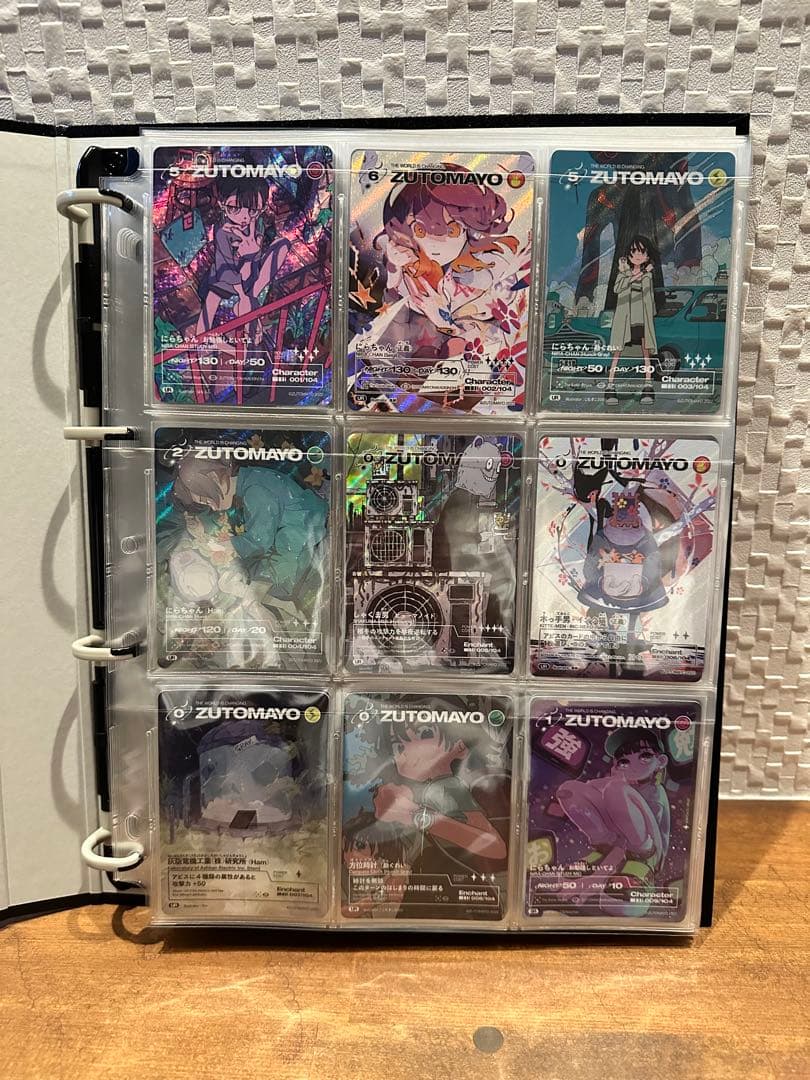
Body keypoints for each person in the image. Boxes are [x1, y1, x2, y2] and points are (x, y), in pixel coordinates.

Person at [550, 729, 671, 917]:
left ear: (660, 761)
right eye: (623, 761)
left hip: (649, 851)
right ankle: (603, 846)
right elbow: (586, 792)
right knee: (570, 790)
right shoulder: (621, 785)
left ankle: (640, 865)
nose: (633, 765)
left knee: (615, 790)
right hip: (617, 842)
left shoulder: (655, 794)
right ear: (615, 767)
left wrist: (598, 877)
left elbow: (632, 838)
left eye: (645, 756)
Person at [604, 235, 659, 406]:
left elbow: (650, 298)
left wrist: (650, 317)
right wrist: (641, 273)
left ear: (647, 256)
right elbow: (617, 288)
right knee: (617, 352)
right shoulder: (624, 274)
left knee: (646, 352)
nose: (638, 255)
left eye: (642, 252)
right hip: (625, 319)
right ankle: (610, 386)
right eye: (634, 251)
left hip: (642, 318)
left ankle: (648, 386)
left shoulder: (648, 277)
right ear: (628, 254)